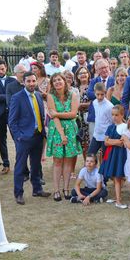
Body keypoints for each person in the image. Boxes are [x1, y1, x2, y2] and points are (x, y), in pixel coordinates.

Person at [8, 72, 51, 204]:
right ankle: (18, 193)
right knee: (20, 166)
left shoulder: (38, 95)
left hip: (38, 136)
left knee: (36, 165)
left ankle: (37, 189)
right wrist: (19, 137)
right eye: (29, 81)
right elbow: (12, 120)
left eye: (33, 81)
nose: (32, 84)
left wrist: (42, 132)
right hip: (24, 138)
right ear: (24, 82)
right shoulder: (17, 97)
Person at [46, 72, 82, 201]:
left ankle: (66, 188)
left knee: (68, 160)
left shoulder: (73, 94)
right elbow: (53, 117)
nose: (57, 82)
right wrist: (62, 135)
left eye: (59, 80)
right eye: (54, 81)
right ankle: (56, 190)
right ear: (52, 84)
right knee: (57, 161)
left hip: (71, 130)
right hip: (57, 131)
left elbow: (73, 114)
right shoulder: (50, 96)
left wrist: (57, 114)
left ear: (64, 81)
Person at [99, 105, 128, 209]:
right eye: (112, 115)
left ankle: (118, 200)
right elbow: (106, 142)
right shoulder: (110, 127)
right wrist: (115, 142)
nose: (114, 117)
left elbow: (122, 142)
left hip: (120, 155)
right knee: (114, 176)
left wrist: (111, 141)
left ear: (122, 115)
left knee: (118, 177)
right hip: (111, 154)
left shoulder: (125, 127)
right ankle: (117, 198)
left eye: (116, 115)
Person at [87, 59, 115, 139]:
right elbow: (89, 94)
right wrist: (104, 94)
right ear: (97, 70)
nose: (104, 70)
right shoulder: (93, 81)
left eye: (106, 67)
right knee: (93, 140)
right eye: (101, 68)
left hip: (109, 117)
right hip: (94, 116)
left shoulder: (114, 80)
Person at [88, 82, 114, 157]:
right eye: (97, 94)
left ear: (105, 93)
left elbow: (112, 121)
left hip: (105, 136)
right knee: (90, 155)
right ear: (94, 93)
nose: (99, 97)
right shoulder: (94, 102)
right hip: (96, 134)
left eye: (102, 94)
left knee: (105, 158)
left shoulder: (109, 106)